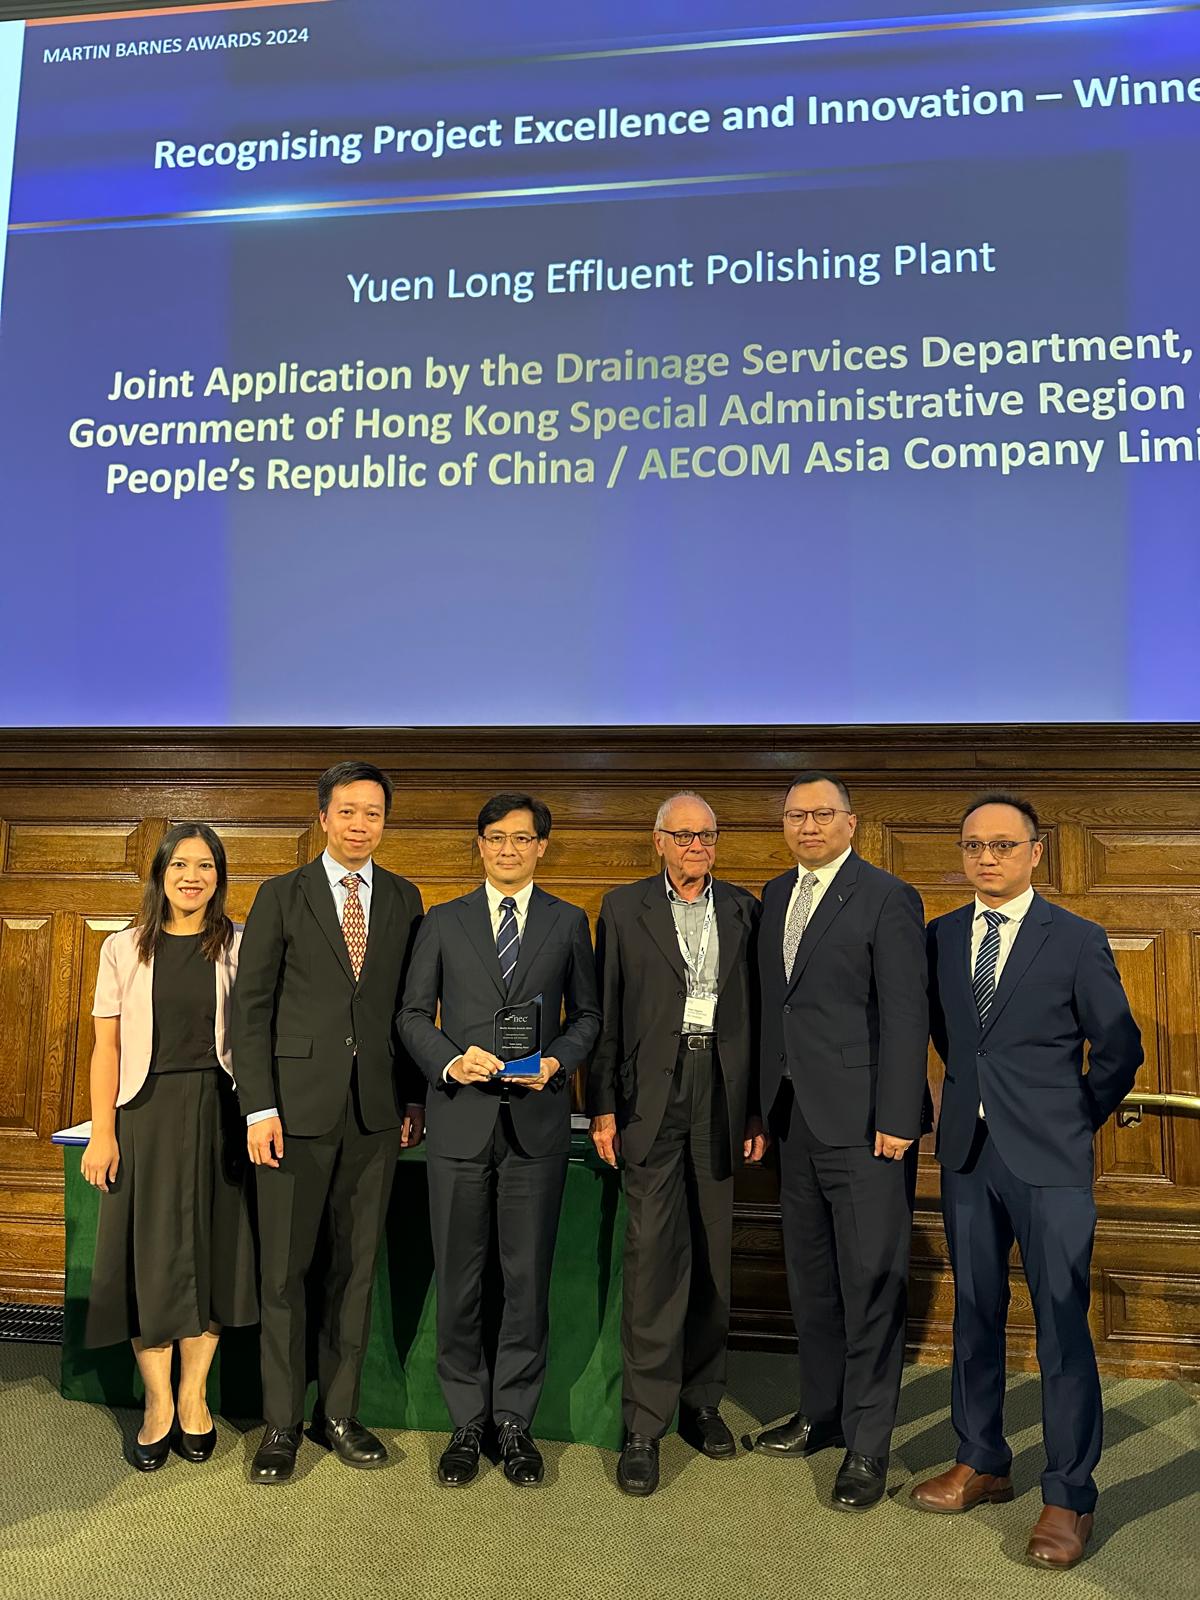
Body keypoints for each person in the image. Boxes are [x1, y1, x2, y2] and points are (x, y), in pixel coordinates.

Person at [911, 793, 1142, 1569]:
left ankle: (1068, 1496)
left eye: (1003, 845)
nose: (987, 858)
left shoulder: (1077, 939)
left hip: (1050, 1158)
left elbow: (1118, 1049)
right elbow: (948, 1037)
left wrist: (1074, 1118)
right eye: (974, 845)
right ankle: (982, 1461)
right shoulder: (940, 937)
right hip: (968, 1156)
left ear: (1035, 853)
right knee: (975, 1312)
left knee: (1060, 1324)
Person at [397, 793, 600, 1488]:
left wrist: (557, 1061)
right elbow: (412, 1015)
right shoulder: (443, 921)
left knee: (524, 1280)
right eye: (495, 838)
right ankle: (464, 1422)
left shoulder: (569, 922)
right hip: (459, 1118)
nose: (508, 850)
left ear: (543, 845)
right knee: (458, 1279)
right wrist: (450, 1060)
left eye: (521, 839)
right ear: (478, 845)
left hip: (534, 1125)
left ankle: (513, 1421)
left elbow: (590, 1017)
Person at [233, 760, 424, 1483]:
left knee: (354, 1269)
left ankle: (337, 1414)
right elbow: (250, 1011)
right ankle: (281, 1423)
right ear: (322, 817)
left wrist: (411, 1098)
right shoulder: (281, 895)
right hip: (290, 1113)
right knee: (284, 1273)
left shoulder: (406, 898)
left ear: (384, 821)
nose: (360, 825)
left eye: (372, 813)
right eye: (347, 812)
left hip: (374, 1115)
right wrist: (259, 1105)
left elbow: (410, 1010)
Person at [751, 771, 929, 1510]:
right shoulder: (773, 895)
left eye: (823, 814)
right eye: (797, 815)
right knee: (812, 1282)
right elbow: (774, 1012)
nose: (809, 826)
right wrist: (761, 1110)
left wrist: (897, 1116)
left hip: (866, 1128)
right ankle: (821, 1413)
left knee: (871, 1284)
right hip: (794, 1121)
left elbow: (905, 1011)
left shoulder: (887, 897)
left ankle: (867, 1444)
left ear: (852, 823)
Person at [589, 792, 763, 1497]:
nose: (697, 846)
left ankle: (702, 1402)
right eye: (684, 835)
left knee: (714, 1255)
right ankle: (644, 1425)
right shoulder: (624, 908)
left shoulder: (744, 909)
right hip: (651, 1098)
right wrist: (600, 1105)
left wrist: (755, 1111)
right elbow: (604, 1011)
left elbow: (759, 1015)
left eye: (708, 835)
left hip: (720, 1093)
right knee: (653, 1258)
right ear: (656, 840)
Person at [81, 822, 256, 1471]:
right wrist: (103, 1131)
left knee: (210, 1260)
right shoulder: (124, 948)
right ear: (159, 873)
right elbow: (107, 1047)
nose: (192, 876)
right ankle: (156, 1405)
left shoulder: (240, 945)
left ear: (219, 876)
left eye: (205, 865)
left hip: (219, 1115)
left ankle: (193, 1399)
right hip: (145, 1116)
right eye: (180, 864)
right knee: (147, 1264)